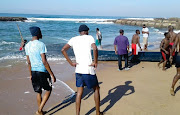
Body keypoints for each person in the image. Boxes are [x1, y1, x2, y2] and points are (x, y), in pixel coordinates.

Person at [61, 24, 103, 115]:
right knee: (96, 88)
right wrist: (95, 61)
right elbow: (95, 48)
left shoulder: (73, 39)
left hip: (78, 69)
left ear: (80, 32)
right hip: (88, 69)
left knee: (79, 92)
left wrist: (71, 63)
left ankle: (77, 114)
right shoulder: (89, 37)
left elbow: (63, 49)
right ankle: (97, 112)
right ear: (87, 31)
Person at [25, 26, 56, 115]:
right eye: (41, 32)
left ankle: (40, 111)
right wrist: (52, 75)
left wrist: (30, 74)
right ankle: (39, 110)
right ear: (38, 34)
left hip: (34, 71)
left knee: (38, 91)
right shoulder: (41, 44)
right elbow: (44, 61)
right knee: (48, 90)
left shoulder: (27, 46)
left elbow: (28, 62)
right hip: (42, 71)